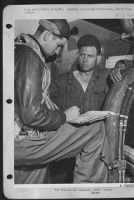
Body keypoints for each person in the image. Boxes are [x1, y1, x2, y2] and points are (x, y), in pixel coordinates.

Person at [14, 19, 109, 184]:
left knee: (32, 180)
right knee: (96, 129)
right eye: (58, 45)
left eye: (90, 56)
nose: (58, 51)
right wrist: (64, 116)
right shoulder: (30, 57)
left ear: (98, 58)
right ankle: (87, 193)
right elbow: (32, 114)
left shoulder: (20, 51)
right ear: (46, 35)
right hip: (24, 138)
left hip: (17, 139)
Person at [50, 34, 112, 113]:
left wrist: (122, 64)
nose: (85, 59)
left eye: (90, 56)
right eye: (82, 55)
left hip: (97, 125)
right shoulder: (60, 81)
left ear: (98, 58)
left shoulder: (104, 79)